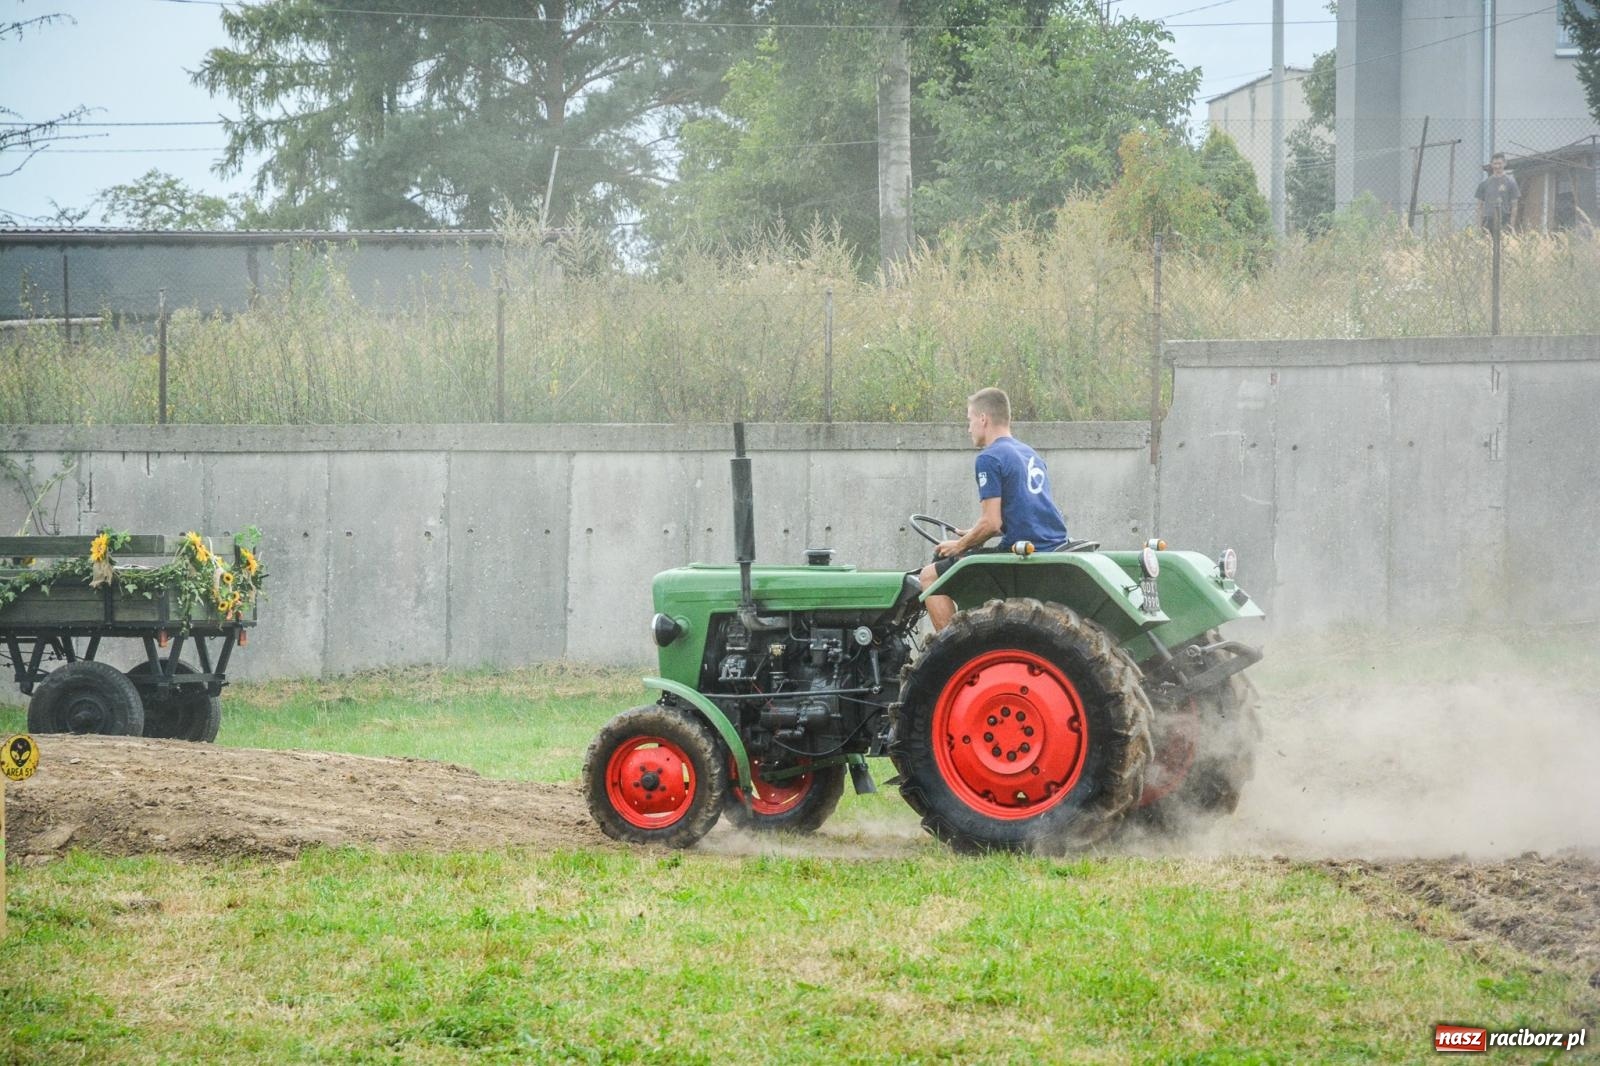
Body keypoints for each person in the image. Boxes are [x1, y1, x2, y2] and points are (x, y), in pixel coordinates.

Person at [918, 387, 1069, 631]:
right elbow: (1025, 513)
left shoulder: (989, 458)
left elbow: (991, 522)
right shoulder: (1029, 454)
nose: (968, 428)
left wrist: (960, 545)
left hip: (1021, 555)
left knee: (929, 576)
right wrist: (971, 534)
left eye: (969, 420)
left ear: (983, 419)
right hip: (1050, 545)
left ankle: (953, 652)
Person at [1475, 152, 1519, 233]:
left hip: (1504, 220)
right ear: (1491, 164)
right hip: (1488, 220)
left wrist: (1511, 226)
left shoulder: (1511, 183)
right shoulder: (1484, 184)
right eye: (1495, 163)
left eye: (1499, 163)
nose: (1497, 166)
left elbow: (1514, 206)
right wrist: (1479, 226)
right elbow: (1479, 207)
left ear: (1504, 163)